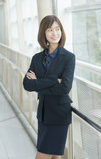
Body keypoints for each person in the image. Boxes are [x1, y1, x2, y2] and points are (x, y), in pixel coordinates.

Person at [23, 15, 76, 159]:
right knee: (54, 157)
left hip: (59, 115)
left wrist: (39, 82)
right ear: (43, 33)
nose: (55, 33)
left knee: (42, 155)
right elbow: (27, 84)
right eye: (50, 29)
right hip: (43, 114)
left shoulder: (68, 57)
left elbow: (65, 87)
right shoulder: (37, 58)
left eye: (57, 29)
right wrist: (53, 80)